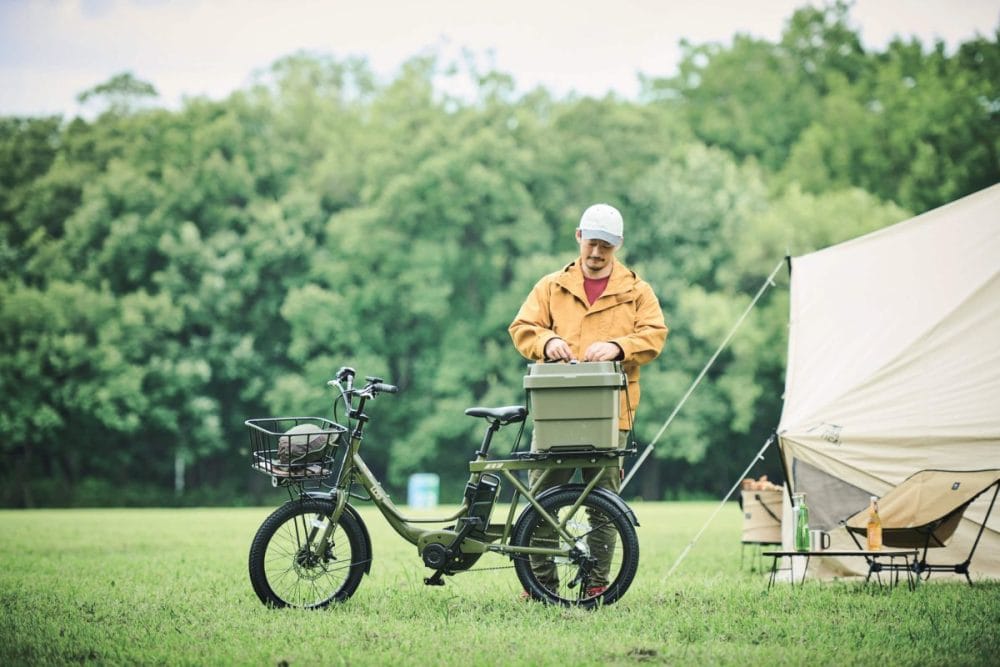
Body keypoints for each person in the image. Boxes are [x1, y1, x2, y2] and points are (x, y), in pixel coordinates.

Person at [508, 203, 668, 599]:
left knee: (604, 506)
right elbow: (522, 327)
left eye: (606, 248)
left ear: (618, 246)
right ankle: (540, 584)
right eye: (591, 244)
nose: (596, 254)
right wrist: (549, 341)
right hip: (556, 415)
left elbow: (654, 335)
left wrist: (618, 346)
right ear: (579, 237)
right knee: (542, 501)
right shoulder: (550, 286)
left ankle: (596, 583)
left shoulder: (636, 291)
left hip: (610, 416)